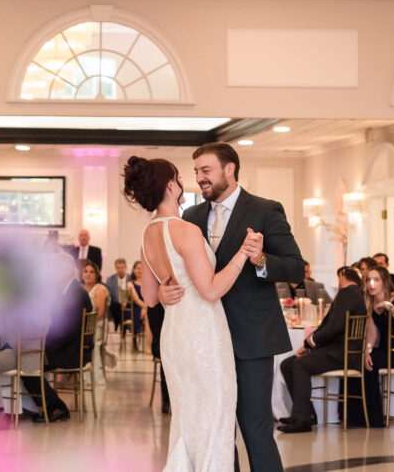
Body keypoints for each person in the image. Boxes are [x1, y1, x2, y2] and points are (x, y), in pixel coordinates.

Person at [160, 143, 304, 472]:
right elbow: (185, 272)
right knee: (218, 430)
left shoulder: (266, 210)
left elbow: (296, 267)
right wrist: (168, 290)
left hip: (250, 338)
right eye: (196, 172)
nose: (199, 178)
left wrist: (262, 260)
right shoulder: (192, 216)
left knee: (254, 427)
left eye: (205, 171)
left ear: (230, 170)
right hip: (207, 340)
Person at [123, 155, 252, 470]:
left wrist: (167, 293)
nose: (183, 181)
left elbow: (151, 298)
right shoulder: (185, 230)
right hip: (203, 333)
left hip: (175, 336)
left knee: (187, 420)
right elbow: (210, 290)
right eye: (179, 177)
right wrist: (243, 254)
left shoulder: (147, 234)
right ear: (170, 185)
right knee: (216, 417)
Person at [278, 267, 367, 433]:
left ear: (342, 276)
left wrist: (311, 341)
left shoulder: (347, 293)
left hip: (341, 354)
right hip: (342, 352)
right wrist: (308, 345)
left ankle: (302, 420)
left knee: (300, 365)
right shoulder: (358, 294)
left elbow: (336, 326)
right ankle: (305, 412)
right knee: (287, 364)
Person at [22, 254, 93, 423]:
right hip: (70, 347)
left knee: (27, 364)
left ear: (67, 270)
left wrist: (44, 343)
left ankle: (56, 406)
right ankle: (46, 405)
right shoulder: (68, 290)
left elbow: (69, 331)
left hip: (71, 352)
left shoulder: (75, 293)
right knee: (28, 360)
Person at [357, 266, 394, 426]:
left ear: (384, 282)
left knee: (371, 364)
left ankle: (375, 419)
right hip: (384, 351)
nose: (371, 284)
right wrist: (367, 351)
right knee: (365, 361)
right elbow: (372, 334)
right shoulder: (370, 303)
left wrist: (387, 305)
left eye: (376, 279)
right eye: (368, 280)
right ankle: (370, 416)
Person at [81, 260, 111, 383]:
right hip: (82, 326)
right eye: (85, 271)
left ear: (97, 275)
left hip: (96, 327)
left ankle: (90, 377)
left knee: (81, 339)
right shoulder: (80, 288)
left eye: (91, 272)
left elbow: (98, 314)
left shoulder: (100, 289)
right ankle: (72, 374)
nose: (88, 274)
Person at [127, 260, 146, 350]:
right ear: (134, 270)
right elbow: (136, 299)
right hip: (134, 307)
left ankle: (149, 342)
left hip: (146, 306)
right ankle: (134, 339)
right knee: (138, 310)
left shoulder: (148, 283)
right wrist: (146, 308)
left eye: (142, 269)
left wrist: (146, 308)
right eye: (138, 268)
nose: (139, 271)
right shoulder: (130, 284)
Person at [105, 258, 129, 333]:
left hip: (128, 304)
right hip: (115, 305)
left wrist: (125, 303)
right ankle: (122, 325)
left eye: (122, 267)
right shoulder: (110, 280)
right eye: (118, 268)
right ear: (115, 268)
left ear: (126, 267)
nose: (120, 270)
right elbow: (108, 296)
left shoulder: (131, 278)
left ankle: (118, 323)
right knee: (114, 305)